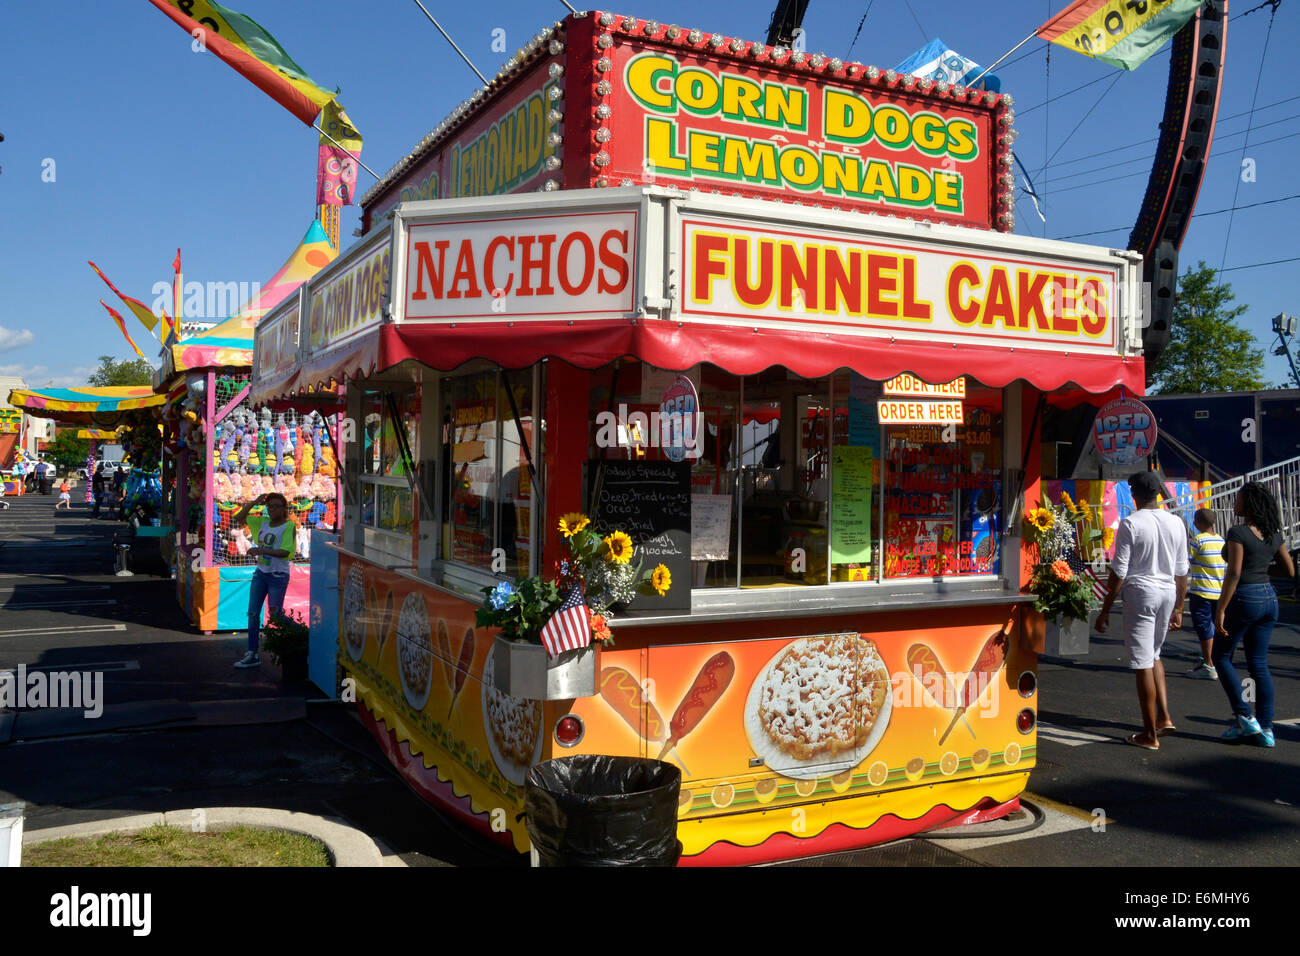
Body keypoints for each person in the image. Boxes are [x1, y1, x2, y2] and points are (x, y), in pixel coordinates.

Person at [1095, 471, 1189, 750]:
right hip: (1168, 592)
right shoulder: (1176, 522)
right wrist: (1180, 608)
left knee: (1142, 663)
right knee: (1155, 655)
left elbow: (1119, 572)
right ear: (1159, 493)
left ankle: (1150, 735)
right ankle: (1164, 717)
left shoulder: (1130, 523)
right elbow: (1182, 571)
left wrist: (1105, 610)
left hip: (1141, 593)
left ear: (1134, 495)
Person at [1212, 482, 1296, 748]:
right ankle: (1267, 729)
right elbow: (1290, 571)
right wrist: (1263, 574)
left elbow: (1234, 573)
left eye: (1238, 499)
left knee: (1221, 656)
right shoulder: (1273, 532)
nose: (1235, 504)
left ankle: (1245, 716)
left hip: (1245, 596)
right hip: (1269, 598)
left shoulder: (1237, 532)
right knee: (1258, 663)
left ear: (1248, 504)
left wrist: (1221, 609)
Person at [232, 492, 296, 669]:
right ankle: (252, 652)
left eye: (275, 506)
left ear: (284, 509)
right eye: (269, 506)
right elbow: (239, 518)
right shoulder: (262, 523)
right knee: (253, 613)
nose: (271, 509)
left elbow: (285, 552)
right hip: (260, 574)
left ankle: (305, 635)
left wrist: (261, 551)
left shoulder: (289, 526)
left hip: (278, 576)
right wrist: (254, 502)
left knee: (275, 615)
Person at [1186, 508, 1225, 679]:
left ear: (1197, 523)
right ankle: (1213, 660)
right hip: (1219, 591)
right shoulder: (1221, 540)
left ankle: (1209, 665)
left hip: (1201, 591)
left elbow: (1186, 560)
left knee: (1203, 628)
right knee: (1215, 627)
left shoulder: (1198, 540)